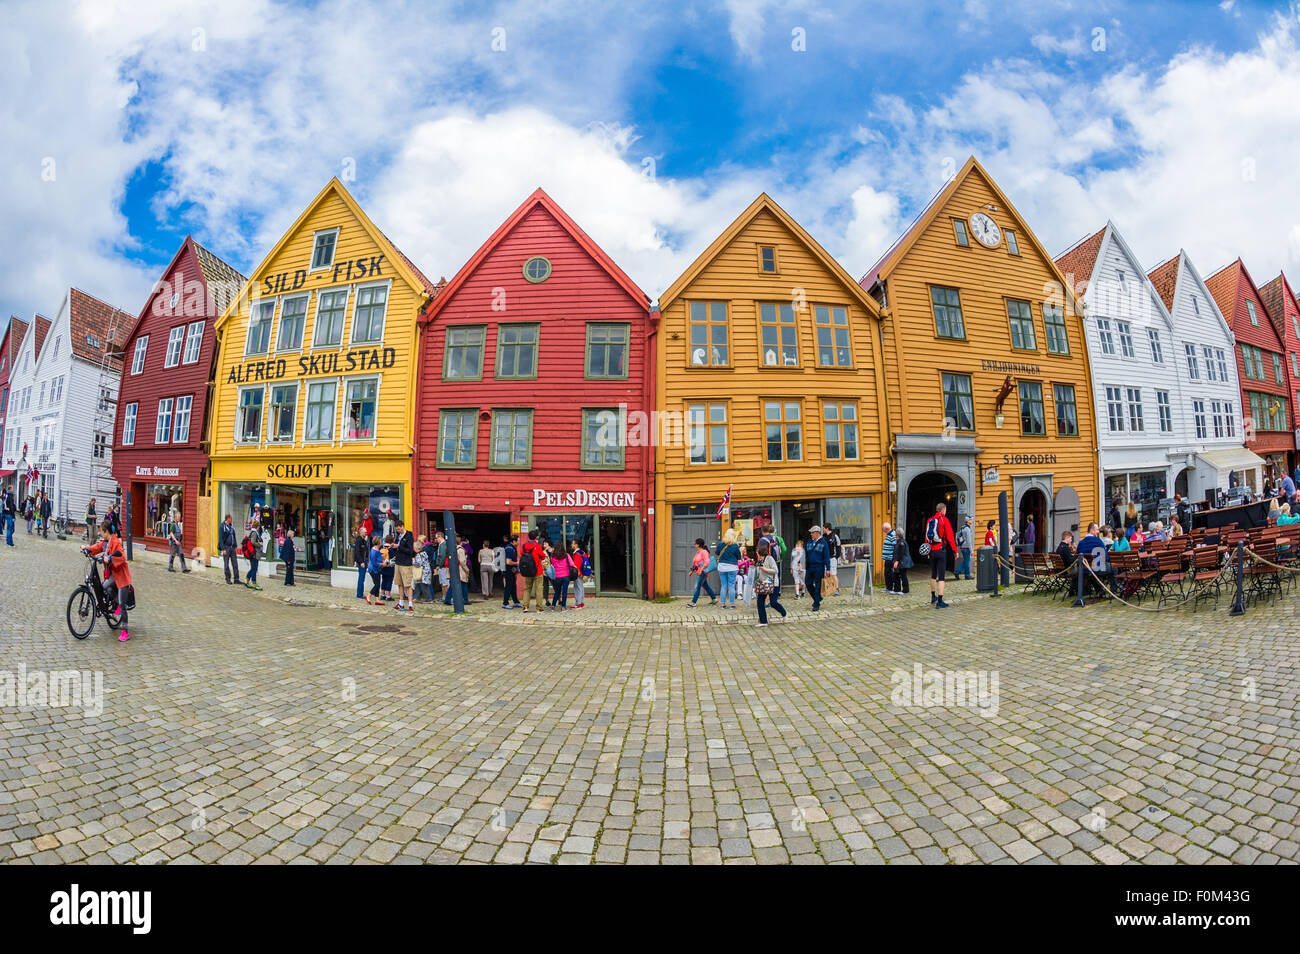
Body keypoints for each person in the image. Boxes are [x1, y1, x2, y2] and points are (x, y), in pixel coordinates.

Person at [84, 516, 133, 642]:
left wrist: (111, 558)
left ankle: (125, 631)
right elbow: (98, 546)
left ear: (106, 532)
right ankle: (116, 601)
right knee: (104, 586)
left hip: (121, 577)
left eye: (101, 531)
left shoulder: (116, 542)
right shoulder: (106, 542)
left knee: (122, 604)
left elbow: (121, 556)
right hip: (113, 576)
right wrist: (87, 549)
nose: (100, 533)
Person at [925, 502, 958, 609]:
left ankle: (933, 596)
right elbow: (950, 536)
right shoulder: (944, 520)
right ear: (943, 510)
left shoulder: (930, 520)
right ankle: (940, 601)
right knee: (942, 576)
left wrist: (928, 551)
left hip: (932, 551)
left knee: (933, 574)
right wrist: (955, 550)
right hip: (940, 550)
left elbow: (927, 538)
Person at [753, 540, 787, 627]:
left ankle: (784, 613)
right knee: (760, 602)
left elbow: (775, 570)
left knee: (773, 602)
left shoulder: (770, 559)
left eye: (757, 552)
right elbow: (758, 573)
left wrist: (765, 569)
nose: (757, 554)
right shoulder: (759, 561)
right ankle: (763, 621)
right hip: (763, 584)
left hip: (772, 583)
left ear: (761, 552)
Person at [519, 530, 546, 612]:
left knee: (527, 589)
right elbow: (543, 557)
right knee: (539, 589)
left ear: (529, 536)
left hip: (527, 570)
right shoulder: (537, 546)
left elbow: (521, 554)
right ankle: (539, 608)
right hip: (537, 570)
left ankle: (525, 607)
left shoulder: (524, 546)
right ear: (536, 537)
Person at [805, 525, 830, 611]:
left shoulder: (824, 543)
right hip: (810, 566)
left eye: (812, 533)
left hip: (819, 566)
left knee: (818, 585)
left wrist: (828, 569)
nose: (811, 534)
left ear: (817, 533)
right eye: (811, 533)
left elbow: (826, 557)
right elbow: (806, 554)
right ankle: (818, 598)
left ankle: (816, 604)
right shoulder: (808, 542)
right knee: (808, 583)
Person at [687, 538, 718, 607]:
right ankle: (714, 599)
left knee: (697, 586)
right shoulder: (698, 552)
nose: (694, 544)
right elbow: (696, 563)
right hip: (699, 572)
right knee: (706, 586)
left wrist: (701, 570)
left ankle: (693, 602)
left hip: (703, 572)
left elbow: (706, 562)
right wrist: (691, 571)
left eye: (695, 543)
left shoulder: (704, 552)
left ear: (698, 545)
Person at [393, 519, 415, 611]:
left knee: (407, 584)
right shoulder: (398, 536)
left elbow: (410, 551)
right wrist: (393, 547)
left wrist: (399, 547)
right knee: (400, 584)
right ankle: (401, 603)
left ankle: (410, 604)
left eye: (399, 529)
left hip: (406, 563)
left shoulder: (409, 536)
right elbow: (398, 549)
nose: (398, 531)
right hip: (398, 562)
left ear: (402, 526)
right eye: (396, 530)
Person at [716, 529, 741, 608]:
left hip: (722, 567)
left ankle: (723, 604)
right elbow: (739, 557)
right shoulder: (735, 546)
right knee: (731, 585)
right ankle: (732, 604)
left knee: (723, 585)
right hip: (732, 567)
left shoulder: (720, 544)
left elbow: (717, 553)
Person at [549, 545, 572, 609]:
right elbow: (571, 564)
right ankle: (563, 607)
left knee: (557, 592)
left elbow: (552, 565)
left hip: (557, 576)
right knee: (564, 592)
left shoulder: (552, 557)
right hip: (566, 576)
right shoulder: (567, 555)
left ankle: (553, 605)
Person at [502, 534, 521, 608]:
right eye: (518, 541)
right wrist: (517, 563)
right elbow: (508, 562)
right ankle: (505, 603)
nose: (519, 542)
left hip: (511, 571)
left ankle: (516, 602)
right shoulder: (509, 549)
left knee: (513, 586)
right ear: (514, 541)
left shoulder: (512, 547)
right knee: (508, 586)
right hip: (508, 571)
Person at [219, 514, 239, 584]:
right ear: (227, 519)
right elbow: (220, 539)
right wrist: (223, 549)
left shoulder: (231, 527)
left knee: (235, 564)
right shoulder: (222, 527)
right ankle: (228, 578)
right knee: (226, 565)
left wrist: (235, 545)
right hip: (226, 547)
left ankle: (236, 579)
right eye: (231, 518)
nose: (232, 520)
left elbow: (234, 536)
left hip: (232, 547)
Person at [568, 538, 587, 609]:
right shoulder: (582, 552)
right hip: (582, 572)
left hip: (578, 573)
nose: (571, 545)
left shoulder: (577, 554)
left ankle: (578, 603)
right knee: (581, 587)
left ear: (576, 545)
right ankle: (581, 602)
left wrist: (576, 573)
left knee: (577, 588)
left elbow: (576, 565)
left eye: (572, 543)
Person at [413, 534, 432, 603]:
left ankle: (429, 598)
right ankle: (416, 597)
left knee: (424, 586)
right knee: (418, 585)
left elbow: (418, 564)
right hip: (424, 572)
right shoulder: (424, 553)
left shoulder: (419, 555)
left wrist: (412, 562)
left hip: (423, 573)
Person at [366, 536, 384, 604]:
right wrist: (382, 564)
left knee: (378, 584)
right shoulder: (374, 551)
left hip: (377, 569)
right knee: (376, 584)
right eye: (380, 541)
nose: (381, 542)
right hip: (373, 570)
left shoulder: (377, 549)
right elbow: (374, 563)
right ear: (378, 542)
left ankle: (377, 599)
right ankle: (368, 596)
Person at [353, 527, 370, 599]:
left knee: (362, 578)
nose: (366, 533)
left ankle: (360, 593)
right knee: (361, 578)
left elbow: (365, 551)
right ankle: (359, 594)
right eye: (365, 532)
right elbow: (357, 552)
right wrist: (360, 562)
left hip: (364, 560)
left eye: (366, 532)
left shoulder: (363, 540)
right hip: (362, 561)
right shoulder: (359, 540)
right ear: (361, 533)